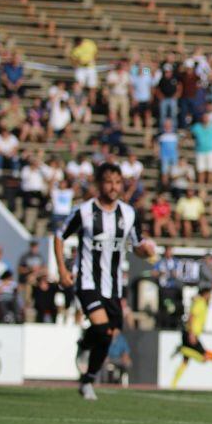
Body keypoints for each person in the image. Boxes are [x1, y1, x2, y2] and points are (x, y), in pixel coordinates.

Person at [54, 162, 156, 401]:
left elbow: (137, 246)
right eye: (109, 182)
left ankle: (88, 378)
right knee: (101, 328)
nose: (113, 187)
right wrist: (62, 270)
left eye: (118, 182)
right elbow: (59, 236)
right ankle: (87, 348)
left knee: (108, 335)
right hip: (87, 280)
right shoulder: (85, 211)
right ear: (99, 184)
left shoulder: (128, 214)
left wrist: (146, 250)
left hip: (113, 286)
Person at [171, 285, 212, 388]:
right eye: (209, 294)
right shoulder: (200, 303)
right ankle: (183, 349)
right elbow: (191, 317)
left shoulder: (200, 302)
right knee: (203, 358)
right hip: (191, 333)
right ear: (205, 294)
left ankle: (173, 384)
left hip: (192, 333)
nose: (210, 297)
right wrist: (191, 333)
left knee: (185, 361)